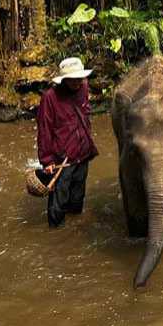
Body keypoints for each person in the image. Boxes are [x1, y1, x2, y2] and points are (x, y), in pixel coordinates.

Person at [36, 57, 99, 228]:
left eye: (80, 78)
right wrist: (47, 160)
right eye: (74, 80)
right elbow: (44, 130)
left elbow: (85, 113)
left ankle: (74, 228)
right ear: (64, 80)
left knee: (78, 198)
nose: (78, 82)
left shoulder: (83, 87)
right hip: (62, 160)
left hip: (82, 153)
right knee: (58, 201)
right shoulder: (50, 98)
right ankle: (55, 235)